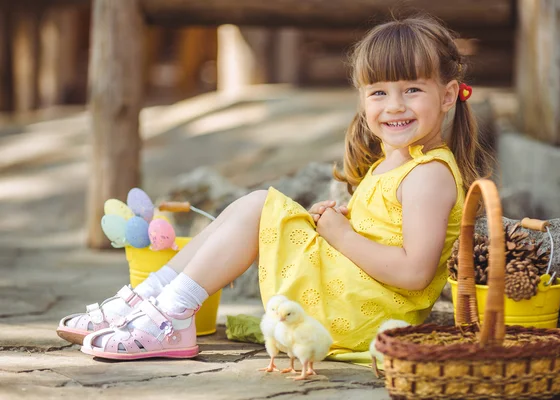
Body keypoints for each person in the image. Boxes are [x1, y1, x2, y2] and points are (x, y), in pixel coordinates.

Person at [57, 15, 493, 360]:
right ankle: (150, 299)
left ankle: (170, 316)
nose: (394, 105)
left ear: (448, 94)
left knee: (259, 206)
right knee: (252, 208)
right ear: (362, 97)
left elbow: (413, 272)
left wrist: (340, 237)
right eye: (378, 92)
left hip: (364, 312)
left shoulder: (431, 174)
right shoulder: (396, 162)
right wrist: (347, 226)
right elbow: (388, 234)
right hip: (354, 294)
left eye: (412, 89)